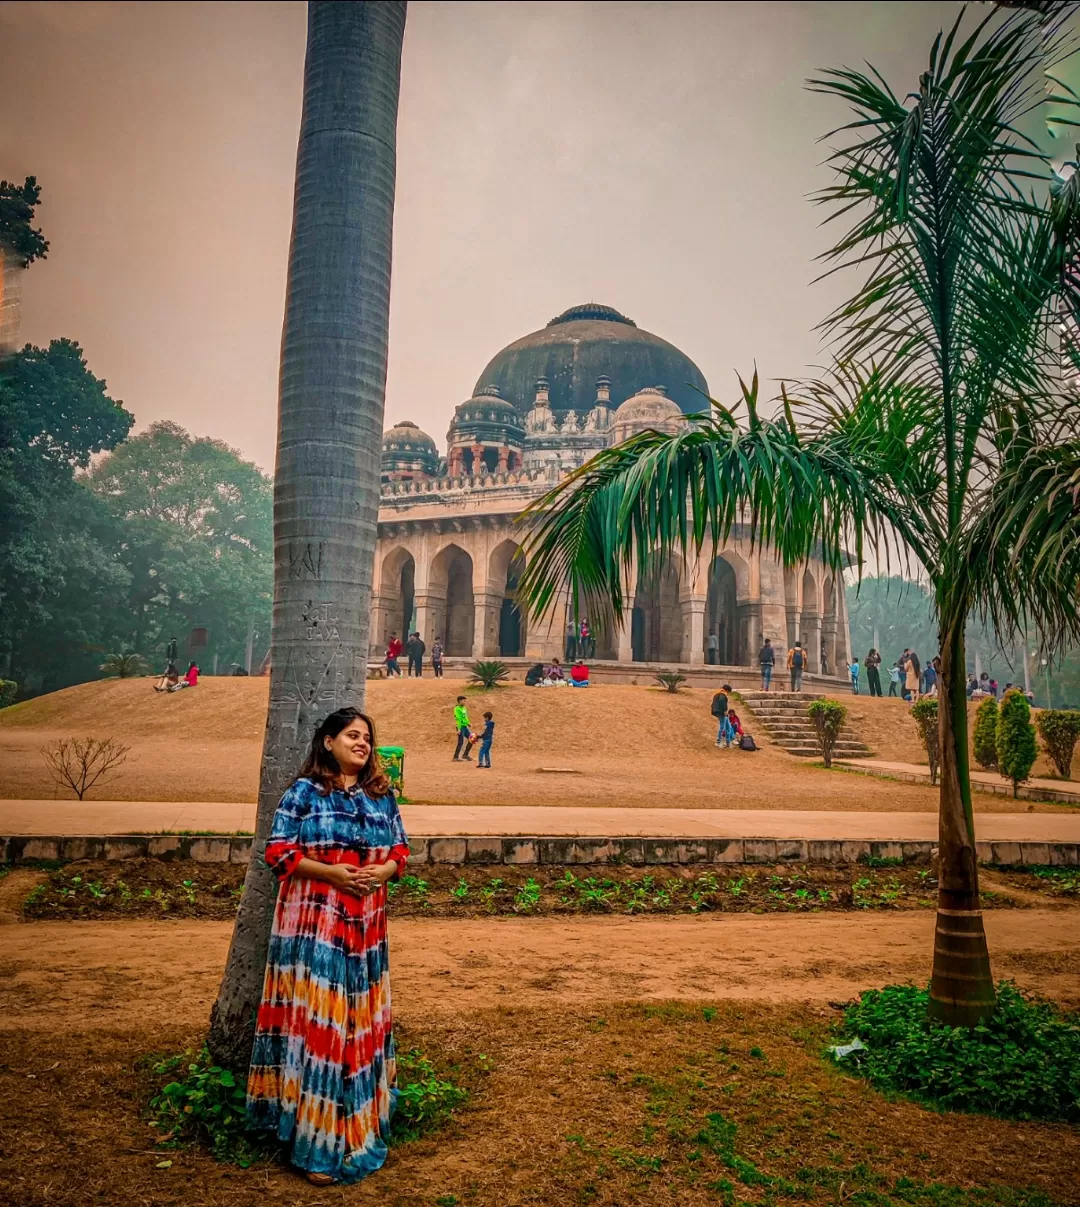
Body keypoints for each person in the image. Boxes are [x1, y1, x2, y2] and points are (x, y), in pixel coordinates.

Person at [246, 707, 409, 1186]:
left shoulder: (382, 796)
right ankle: (316, 1142)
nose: (362, 743)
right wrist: (332, 873)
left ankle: (358, 1127)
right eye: (352, 735)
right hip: (313, 926)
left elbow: (401, 849)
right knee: (322, 1024)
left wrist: (383, 872)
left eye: (367, 738)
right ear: (328, 741)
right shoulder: (305, 793)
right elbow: (277, 851)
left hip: (366, 932)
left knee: (359, 1024)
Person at [452, 696, 473, 761]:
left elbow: (465, 717)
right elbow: (458, 719)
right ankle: (455, 757)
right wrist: (458, 729)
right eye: (464, 701)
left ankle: (465, 755)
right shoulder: (457, 709)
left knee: (472, 739)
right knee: (460, 742)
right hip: (460, 727)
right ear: (460, 701)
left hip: (464, 726)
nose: (465, 702)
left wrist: (468, 723)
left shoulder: (464, 708)